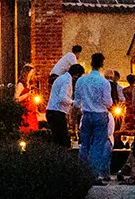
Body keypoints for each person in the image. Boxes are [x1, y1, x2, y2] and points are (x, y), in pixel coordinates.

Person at [74, 51, 116, 182]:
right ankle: (94, 174)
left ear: (91, 63)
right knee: (98, 145)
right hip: (100, 115)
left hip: (86, 114)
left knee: (84, 144)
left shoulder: (81, 80)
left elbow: (76, 101)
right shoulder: (104, 82)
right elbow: (108, 102)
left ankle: (81, 172)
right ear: (102, 64)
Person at [46, 63, 75, 147]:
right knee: (62, 140)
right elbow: (62, 97)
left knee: (56, 138)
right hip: (57, 112)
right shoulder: (67, 81)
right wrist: (72, 102)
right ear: (76, 75)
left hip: (52, 111)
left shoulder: (61, 78)